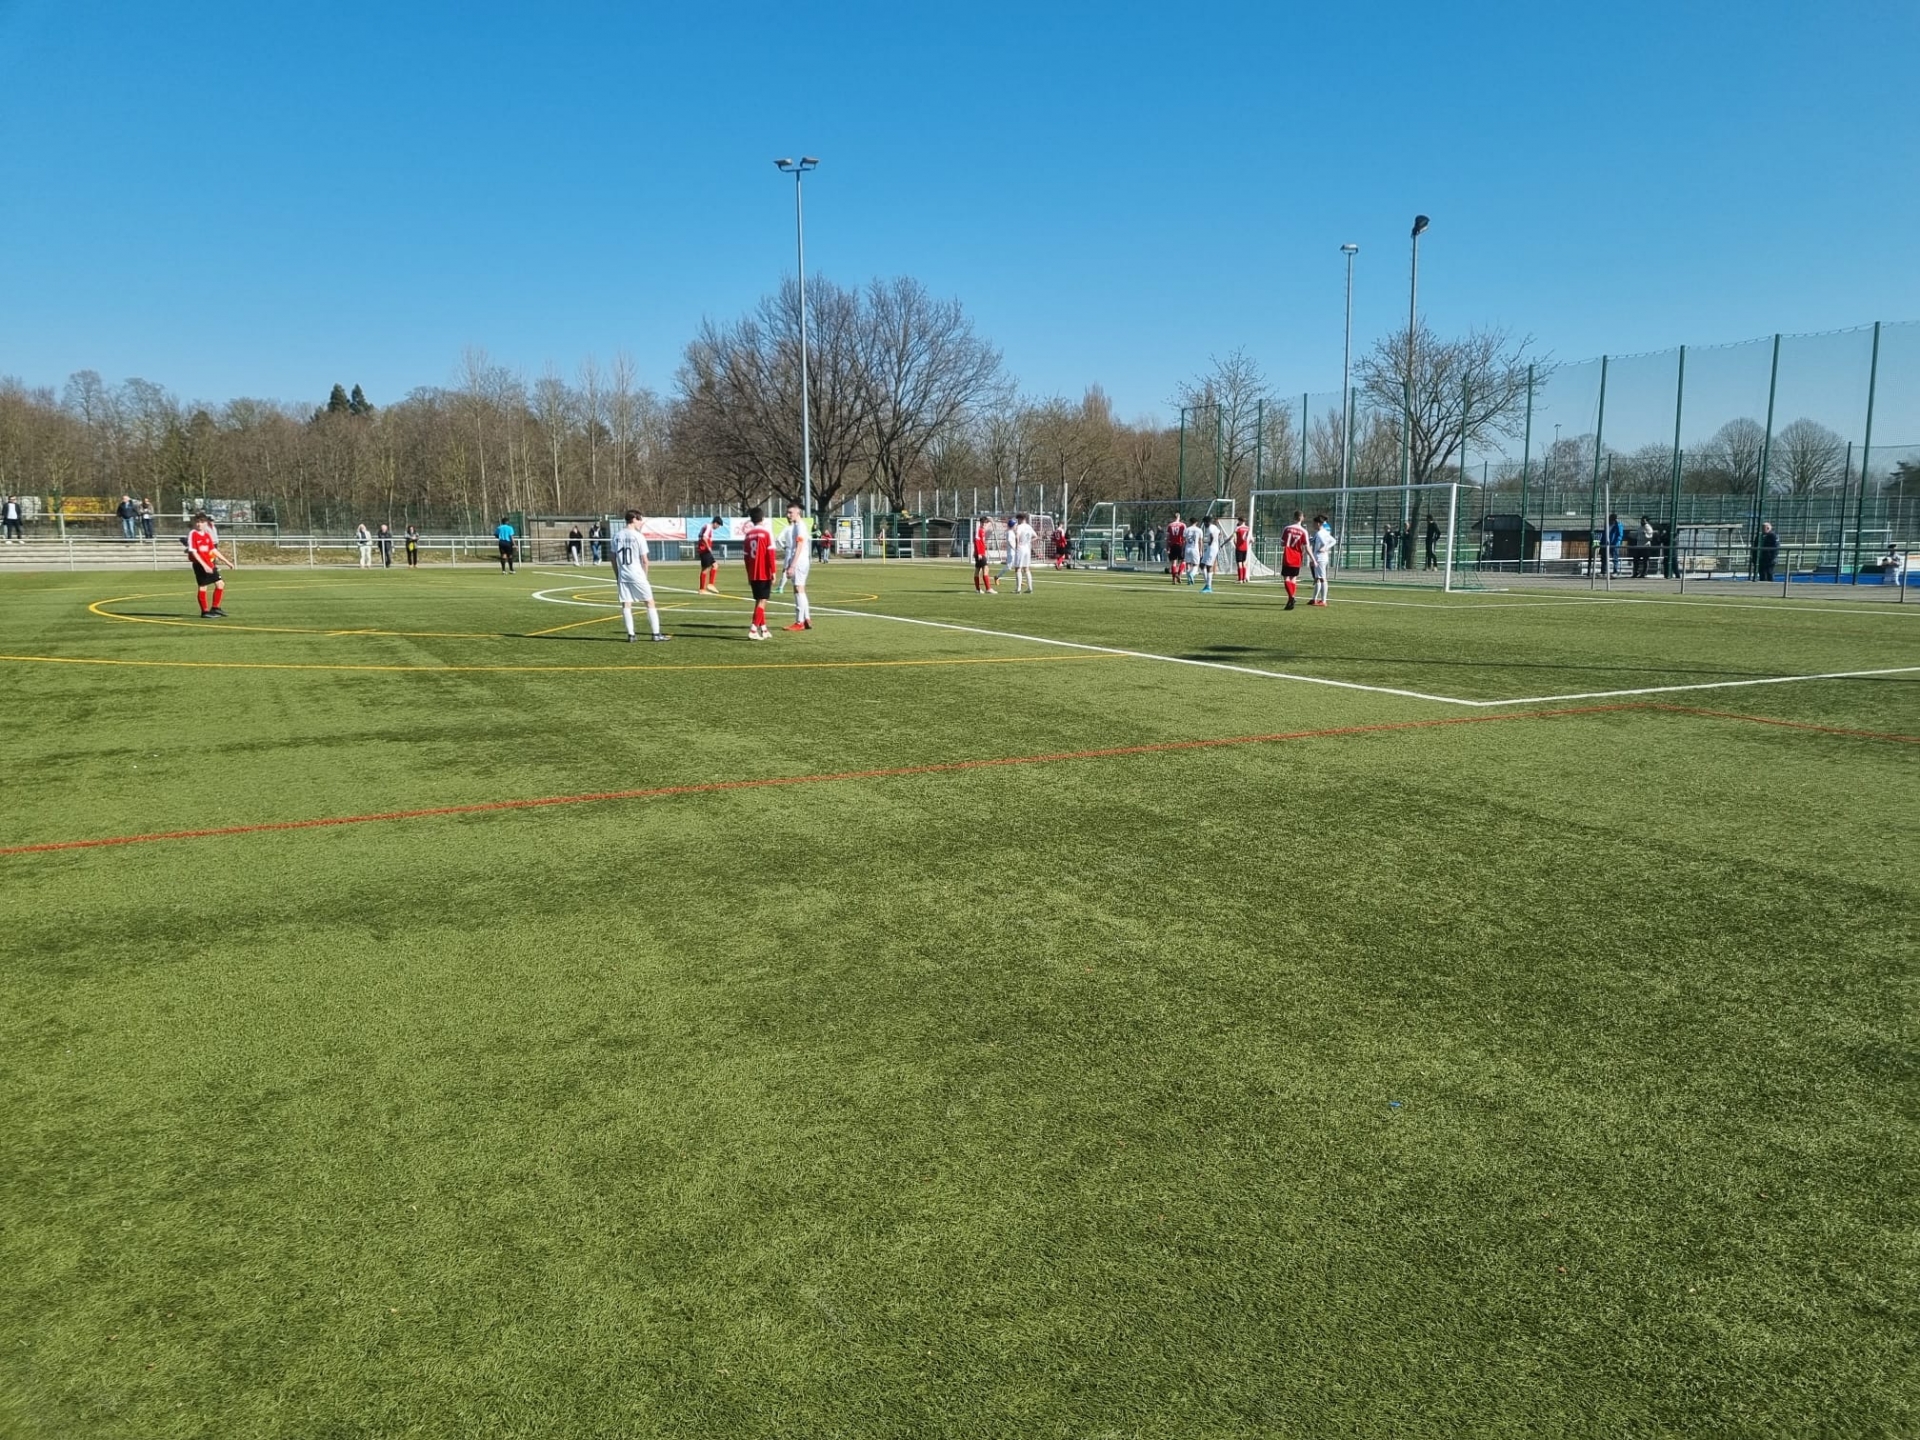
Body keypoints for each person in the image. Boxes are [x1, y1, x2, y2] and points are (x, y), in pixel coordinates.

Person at [609, 510, 669, 642]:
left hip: (623, 574)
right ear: (634, 519)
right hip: (637, 573)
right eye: (639, 519)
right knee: (649, 602)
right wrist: (644, 576)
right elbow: (645, 560)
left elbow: (612, 558)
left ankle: (631, 635)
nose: (641, 522)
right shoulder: (638, 536)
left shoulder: (616, 536)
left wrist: (617, 575)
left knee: (626, 604)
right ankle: (656, 634)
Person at [185, 512, 231, 617]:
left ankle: (215, 608)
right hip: (199, 564)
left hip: (209, 564)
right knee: (203, 587)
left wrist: (227, 561)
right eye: (197, 522)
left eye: (201, 522)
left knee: (220, 584)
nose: (199, 524)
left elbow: (213, 550)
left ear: (206, 523)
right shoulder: (193, 534)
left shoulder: (207, 535)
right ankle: (205, 612)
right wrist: (204, 565)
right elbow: (194, 552)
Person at [742, 505, 777, 639]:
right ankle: (753, 629)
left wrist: (748, 574)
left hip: (753, 572)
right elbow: (770, 554)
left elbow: (746, 557)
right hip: (764, 572)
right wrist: (773, 572)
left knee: (759, 601)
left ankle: (764, 628)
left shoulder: (748, 535)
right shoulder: (767, 533)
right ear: (762, 518)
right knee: (762, 601)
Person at [780, 501, 813, 631]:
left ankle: (799, 622)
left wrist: (792, 565)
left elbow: (799, 546)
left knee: (798, 589)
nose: (788, 515)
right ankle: (806, 618)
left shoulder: (800, 527)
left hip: (799, 561)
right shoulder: (797, 526)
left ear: (798, 512)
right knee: (801, 589)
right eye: (787, 512)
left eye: (790, 512)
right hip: (801, 560)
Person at [1278, 511, 1311, 611]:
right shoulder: (1304, 531)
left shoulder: (1287, 528)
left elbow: (1282, 543)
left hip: (1288, 555)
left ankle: (1291, 597)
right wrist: (1312, 558)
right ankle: (1291, 598)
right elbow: (1306, 546)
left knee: (1286, 578)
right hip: (1297, 556)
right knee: (1293, 578)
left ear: (1294, 517)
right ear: (1302, 518)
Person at [1311, 515, 1336, 606]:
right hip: (1320, 558)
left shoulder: (1320, 533)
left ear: (1318, 524)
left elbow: (1325, 542)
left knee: (1322, 578)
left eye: (1314, 523)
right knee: (1318, 578)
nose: (1313, 525)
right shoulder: (1323, 532)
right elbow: (1333, 541)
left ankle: (1324, 600)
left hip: (1320, 558)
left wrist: (1324, 548)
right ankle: (1314, 599)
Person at [1011, 512, 1037, 593]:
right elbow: (1036, 536)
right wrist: (1028, 542)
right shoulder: (1029, 527)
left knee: (1018, 568)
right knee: (1026, 568)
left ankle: (1018, 589)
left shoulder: (1019, 527)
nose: (1018, 521)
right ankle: (1030, 588)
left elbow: (1017, 536)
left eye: (1018, 519)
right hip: (1027, 548)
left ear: (1021, 519)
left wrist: (1017, 544)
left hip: (1021, 548)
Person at [695, 516, 721, 593]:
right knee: (705, 569)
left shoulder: (706, 526)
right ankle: (703, 588)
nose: (718, 527)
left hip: (704, 550)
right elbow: (704, 537)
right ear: (715, 523)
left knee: (715, 565)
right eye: (718, 525)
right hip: (705, 550)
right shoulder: (708, 527)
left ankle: (709, 585)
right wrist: (708, 546)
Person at [1199, 515, 1222, 592]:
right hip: (1210, 548)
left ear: (1207, 522)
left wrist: (1211, 542)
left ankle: (1209, 587)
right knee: (1202, 564)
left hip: (1212, 548)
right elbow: (1220, 534)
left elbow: (1212, 536)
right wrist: (1216, 539)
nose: (1204, 524)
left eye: (1205, 523)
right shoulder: (1214, 527)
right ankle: (1207, 583)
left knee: (1209, 566)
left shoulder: (1210, 528)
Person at [972, 515, 994, 593]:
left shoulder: (982, 530)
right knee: (986, 569)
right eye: (983, 523)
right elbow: (976, 541)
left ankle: (978, 589)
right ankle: (988, 589)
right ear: (980, 523)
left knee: (977, 570)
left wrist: (991, 520)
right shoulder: (979, 530)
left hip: (980, 553)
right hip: (980, 554)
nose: (984, 524)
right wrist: (979, 553)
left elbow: (980, 541)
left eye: (985, 523)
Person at [1166, 514, 1186, 584]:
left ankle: (1174, 579)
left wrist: (1167, 547)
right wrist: (1184, 545)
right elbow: (1184, 536)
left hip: (1172, 545)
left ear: (1173, 517)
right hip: (1180, 545)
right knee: (1183, 561)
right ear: (1179, 517)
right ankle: (1179, 575)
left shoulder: (1170, 525)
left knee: (1174, 563)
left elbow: (1168, 538)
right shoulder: (1182, 525)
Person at [1233, 515, 1251, 583]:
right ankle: (1244, 579)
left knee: (1239, 563)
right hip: (1245, 547)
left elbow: (1234, 539)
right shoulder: (1248, 528)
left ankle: (1240, 579)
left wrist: (1235, 543)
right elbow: (1250, 538)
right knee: (1244, 562)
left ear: (1240, 521)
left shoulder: (1238, 528)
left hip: (1239, 547)